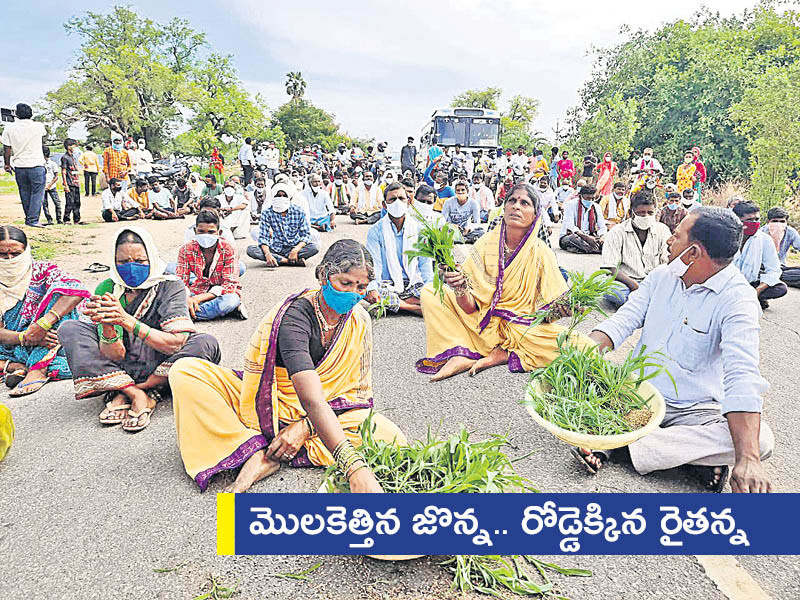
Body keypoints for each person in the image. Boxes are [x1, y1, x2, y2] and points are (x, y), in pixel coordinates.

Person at [170, 239, 408, 492]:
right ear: (323, 275)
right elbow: (311, 400)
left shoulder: (359, 320)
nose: (353, 294)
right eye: (345, 283)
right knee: (185, 373)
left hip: (328, 410)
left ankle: (273, 449)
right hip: (271, 401)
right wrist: (354, 468)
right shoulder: (296, 317)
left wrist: (304, 427)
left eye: (361, 287)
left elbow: (353, 395)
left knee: (390, 437)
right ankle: (255, 447)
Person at [574, 207, 774, 494]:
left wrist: (749, 459)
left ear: (693, 253)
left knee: (760, 441)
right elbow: (622, 321)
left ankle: (620, 443)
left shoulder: (739, 300)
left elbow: (742, 376)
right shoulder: (661, 276)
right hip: (635, 394)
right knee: (586, 381)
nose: (668, 240)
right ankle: (688, 457)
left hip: (696, 410)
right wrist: (583, 353)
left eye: (676, 235)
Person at [59, 227, 221, 432]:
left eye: (140, 261)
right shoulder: (107, 289)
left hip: (160, 358)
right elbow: (114, 355)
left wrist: (127, 321)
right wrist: (108, 325)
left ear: (151, 258)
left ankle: (131, 389)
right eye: (123, 262)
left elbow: (175, 344)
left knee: (206, 343)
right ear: (114, 262)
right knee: (70, 329)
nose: (131, 267)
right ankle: (136, 394)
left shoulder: (171, 286)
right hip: (123, 362)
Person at [417, 183, 582, 381]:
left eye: (524, 203)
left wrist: (564, 309)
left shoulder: (542, 253)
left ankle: (502, 352)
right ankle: (460, 353)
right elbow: (469, 308)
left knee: (582, 347)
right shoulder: (485, 244)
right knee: (430, 292)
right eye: (512, 201)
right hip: (480, 321)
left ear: (535, 215)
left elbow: (546, 314)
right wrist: (460, 287)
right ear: (504, 208)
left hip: (518, 328)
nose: (516, 206)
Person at [0, 225, 89, 397]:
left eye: (16, 254)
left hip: (51, 335)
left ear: (25, 252)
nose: (10, 259)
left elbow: (77, 291)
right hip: (15, 342)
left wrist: (43, 324)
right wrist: (26, 337)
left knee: (60, 294)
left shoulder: (42, 271)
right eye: (2, 255)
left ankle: (37, 368)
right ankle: (16, 366)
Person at [364, 183, 433, 316]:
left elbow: (425, 265)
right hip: (386, 284)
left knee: (440, 295)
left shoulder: (420, 230)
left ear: (409, 202)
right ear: (384, 205)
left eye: (401, 198)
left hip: (413, 283)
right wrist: (372, 289)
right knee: (367, 292)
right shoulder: (375, 231)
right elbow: (374, 265)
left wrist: (430, 288)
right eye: (392, 199)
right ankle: (413, 307)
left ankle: (400, 304)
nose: (397, 203)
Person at [601, 191, 670, 308]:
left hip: (654, 281)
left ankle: (637, 303)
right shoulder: (617, 232)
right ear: (630, 213)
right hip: (627, 282)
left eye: (650, 213)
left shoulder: (662, 230)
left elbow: (667, 261)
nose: (646, 216)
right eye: (641, 213)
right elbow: (610, 267)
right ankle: (647, 302)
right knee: (612, 292)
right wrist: (635, 286)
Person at [176, 210, 244, 321]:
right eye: (201, 231)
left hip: (223, 292)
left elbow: (229, 285)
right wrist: (187, 298)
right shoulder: (186, 249)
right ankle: (198, 312)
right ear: (195, 231)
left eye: (211, 232)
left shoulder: (229, 248)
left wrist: (197, 299)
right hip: (199, 288)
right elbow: (181, 282)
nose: (206, 236)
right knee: (171, 298)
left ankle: (186, 315)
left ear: (219, 232)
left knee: (231, 301)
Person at [247, 182, 320, 268]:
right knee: (251, 250)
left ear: (289, 197)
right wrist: (267, 254)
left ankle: (279, 259)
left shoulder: (298, 211)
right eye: (278, 195)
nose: (281, 198)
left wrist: (295, 250)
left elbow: (305, 235)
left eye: (284, 196)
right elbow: (263, 237)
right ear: (273, 197)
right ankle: (287, 261)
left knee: (314, 247)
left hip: (294, 247)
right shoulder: (267, 213)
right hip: (275, 248)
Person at [731, 202, 787, 309]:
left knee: (780, 288)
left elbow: (774, 270)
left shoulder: (764, 239)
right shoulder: (726, 236)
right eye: (750, 220)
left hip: (750, 284)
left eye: (757, 219)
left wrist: (757, 290)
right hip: (727, 283)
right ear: (737, 220)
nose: (754, 223)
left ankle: (753, 297)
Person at [1, 103, 47, 227]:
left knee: (24, 193)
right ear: (31, 113)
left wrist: (7, 164)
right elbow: (43, 137)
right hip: (36, 164)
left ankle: (29, 218)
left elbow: (7, 148)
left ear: (16, 114)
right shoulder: (38, 126)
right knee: (37, 193)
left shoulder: (9, 128)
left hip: (20, 165)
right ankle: (33, 219)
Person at [559, 185, 607, 254]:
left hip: (590, 236)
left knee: (607, 238)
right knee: (573, 238)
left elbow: (602, 227)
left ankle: (583, 248)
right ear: (580, 196)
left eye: (592, 198)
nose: (590, 201)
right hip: (571, 236)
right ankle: (595, 250)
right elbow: (570, 225)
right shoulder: (570, 205)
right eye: (587, 198)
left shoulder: (596, 207)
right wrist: (586, 237)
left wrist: (602, 237)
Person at [764, 206, 800, 288]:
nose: (778, 225)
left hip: (781, 268)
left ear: (786, 222)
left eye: (782, 222)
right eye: (775, 221)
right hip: (764, 268)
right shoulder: (761, 232)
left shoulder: (791, 232)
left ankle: (775, 280)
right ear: (768, 221)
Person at [60, 138, 83, 225]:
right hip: (70, 183)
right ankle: (66, 219)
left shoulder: (73, 157)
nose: (75, 148)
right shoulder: (65, 158)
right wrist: (65, 184)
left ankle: (77, 219)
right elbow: (64, 171)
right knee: (70, 202)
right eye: (74, 146)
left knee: (77, 202)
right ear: (69, 147)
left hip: (76, 183)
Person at [42, 147, 63, 225]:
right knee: (44, 204)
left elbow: (56, 176)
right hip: (42, 187)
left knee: (57, 203)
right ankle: (49, 220)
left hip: (52, 186)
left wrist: (49, 185)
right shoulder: (40, 164)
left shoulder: (53, 164)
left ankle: (59, 219)